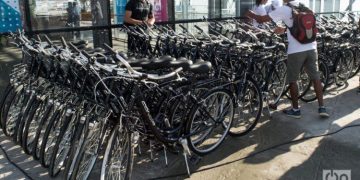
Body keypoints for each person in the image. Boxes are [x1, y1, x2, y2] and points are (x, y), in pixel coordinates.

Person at [245, 0, 329, 119]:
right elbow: (302, 25)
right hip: (311, 46)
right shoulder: (303, 6)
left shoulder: (285, 9)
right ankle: (322, 107)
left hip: (296, 50)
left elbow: (262, 19)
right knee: (316, 78)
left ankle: (295, 110)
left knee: (293, 80)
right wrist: (285, 29)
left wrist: (250, 13)